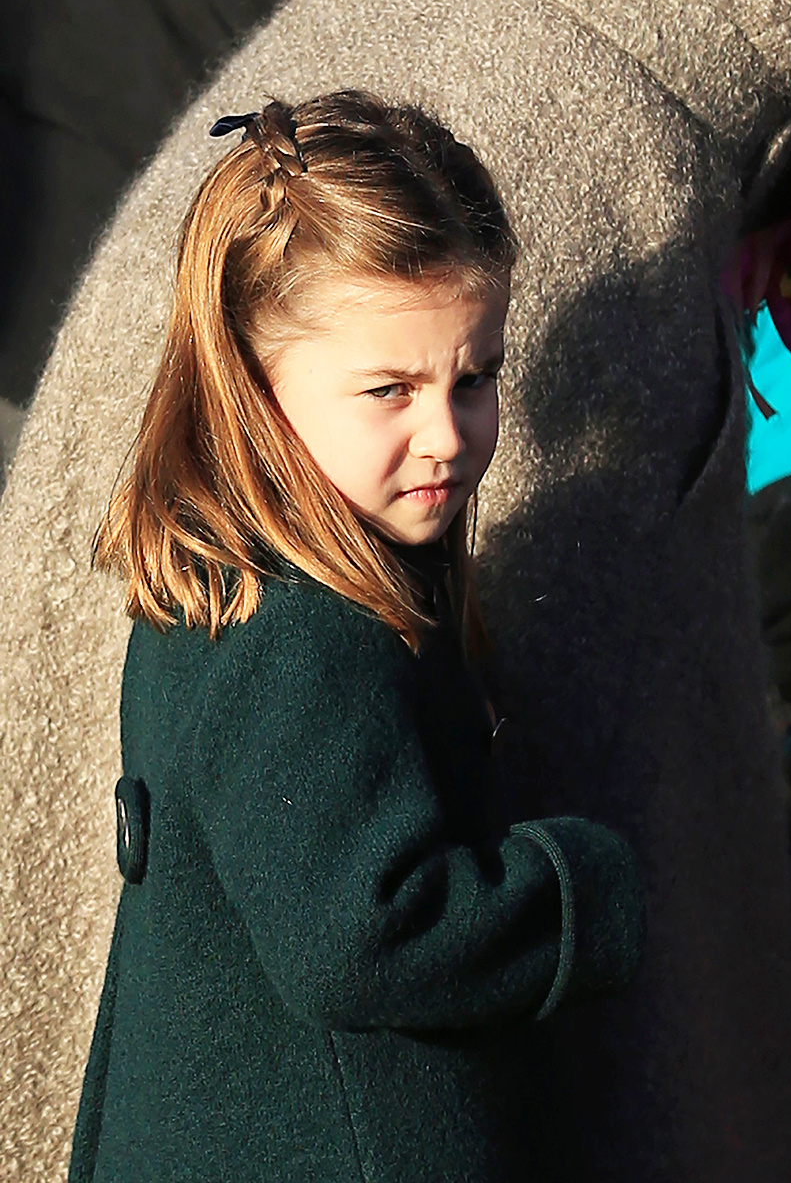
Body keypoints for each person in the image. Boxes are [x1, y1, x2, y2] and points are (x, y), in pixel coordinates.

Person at [68, 91, 645, 1183]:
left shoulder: (224, 576)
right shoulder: (299, 628)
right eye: (390, 389)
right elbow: (364, 935)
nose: (448, 435)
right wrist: (581, 886)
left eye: (475, 379)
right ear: (251, 385)